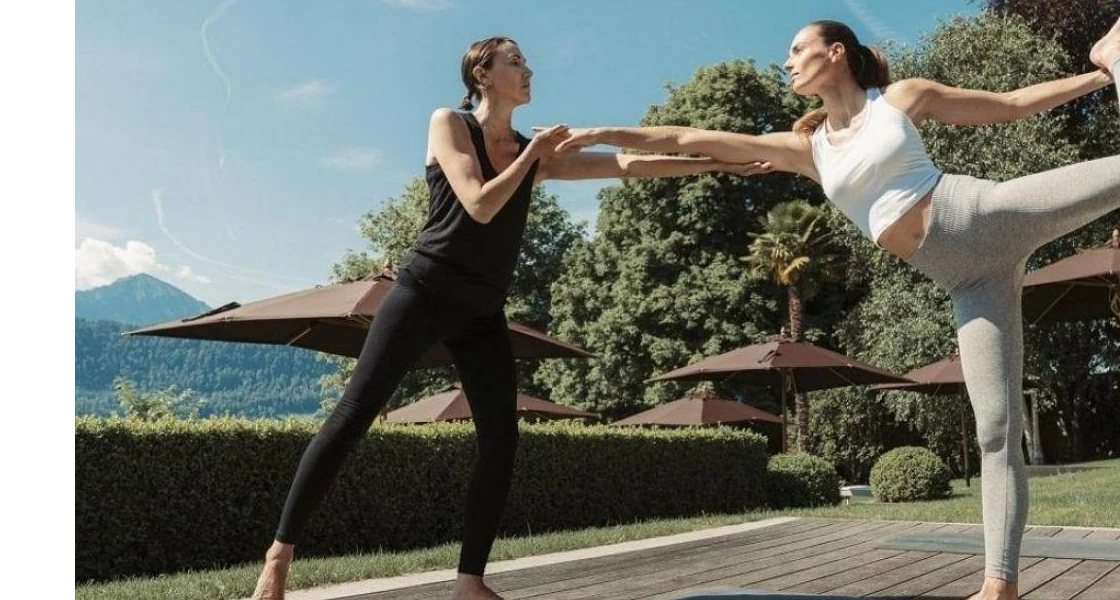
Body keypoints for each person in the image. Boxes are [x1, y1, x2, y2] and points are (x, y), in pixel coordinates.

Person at [551, 5, 1120, 599]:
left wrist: (1103, 69)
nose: (787, 61)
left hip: (984, 215)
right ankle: (1000, 585)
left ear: (836, 53)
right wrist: (607, 134)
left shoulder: (901, 99)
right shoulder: (806, 150)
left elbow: (1013, 105)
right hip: (967, 280)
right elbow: (692, 138)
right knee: (996, 432)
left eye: (797, 49)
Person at [250, 36, 770, 600]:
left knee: (501, 441)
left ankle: (469, 582)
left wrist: (720, 165)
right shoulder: (449, 124)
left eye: (525, 62)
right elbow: (477, 202)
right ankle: (279, 556)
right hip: (424, 290)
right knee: (353, 415)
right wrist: (533, 156)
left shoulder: (531, 148)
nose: (529, 71)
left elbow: (625, 163)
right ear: (482, 72)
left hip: (481, 310)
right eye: (515, 62)